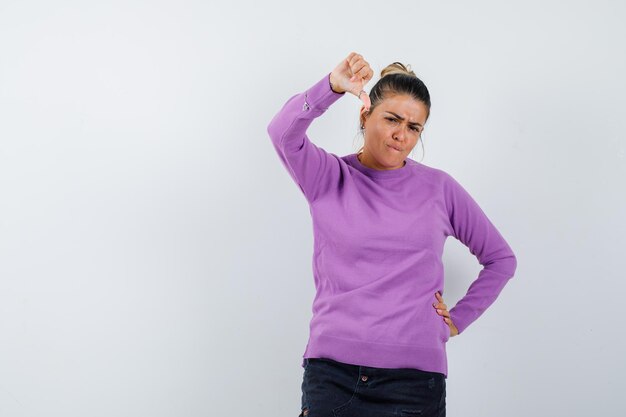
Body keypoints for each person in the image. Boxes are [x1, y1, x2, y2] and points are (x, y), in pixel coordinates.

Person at [266, 52, 517, 417]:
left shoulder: (439, 189)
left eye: (414, 127)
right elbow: (282, 133)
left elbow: (500, 259)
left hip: (414, 384)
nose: (401, 135)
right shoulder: (327, 177)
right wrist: (331, 88)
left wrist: (457, 321)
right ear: (365, 115)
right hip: (333, 376)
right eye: (392, 119)